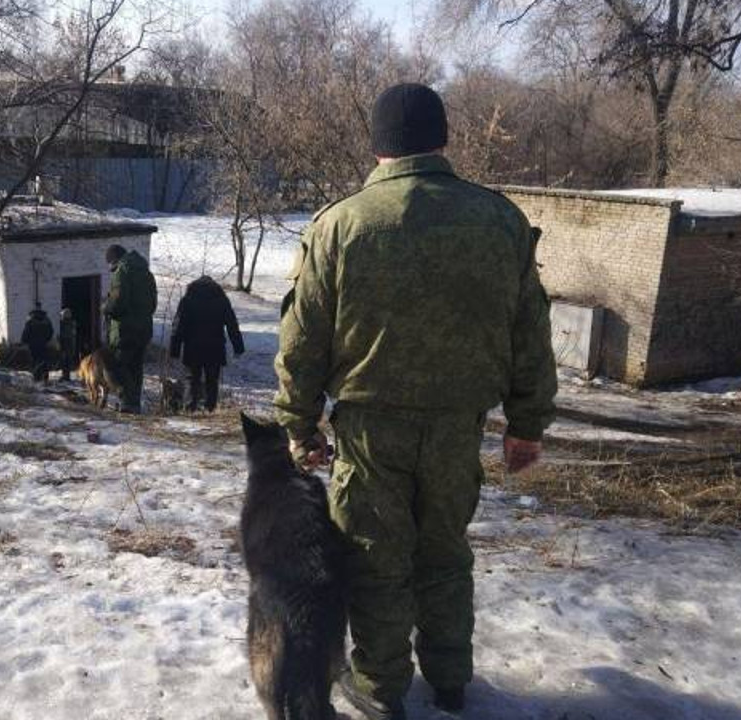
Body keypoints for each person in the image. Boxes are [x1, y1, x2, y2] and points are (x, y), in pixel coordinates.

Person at [273, 83, 557, 720]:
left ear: (378, 146)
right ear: (443, 140)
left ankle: (378, 689)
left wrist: (298, 424)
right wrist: (528, 424)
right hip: (460, 425)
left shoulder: (340, 224)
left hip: (371, 431)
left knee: (376, 560)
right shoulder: (500, 220)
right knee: (445, 551)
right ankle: (451, 678)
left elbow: (302, 338)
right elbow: (530, 331)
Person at [169, 276, 245, 412]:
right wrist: (238, 347)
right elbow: (232, 324)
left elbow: (178, 326)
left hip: (192, 347)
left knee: (191, 379)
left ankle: (189, 407)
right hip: (215, 348)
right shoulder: (221, 300)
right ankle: (210, 408)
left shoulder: (188, 300)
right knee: (212, 380)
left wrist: (174, 349)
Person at [102, 244, 157, 414]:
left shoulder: (122, 272)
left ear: (114, 260)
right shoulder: (146, 273)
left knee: (113, 365)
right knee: (135, 367)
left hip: (124, 330)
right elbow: (153, 304)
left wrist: (105, 307)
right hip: (143, 330)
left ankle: (126, 403)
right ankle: (134, 405)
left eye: (111, 266)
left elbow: (117, 303)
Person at [20, 303, 54, 382]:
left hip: (33, 345)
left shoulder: (30, 320)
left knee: (35, 361)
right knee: (44, 361)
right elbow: (51, 331)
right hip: (44, 344)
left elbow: (26, 332)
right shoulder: (46, 320)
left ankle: (37, 378)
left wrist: (24, 341)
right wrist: (47, 340)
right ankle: (45, 378)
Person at [58, 308, 77, 381]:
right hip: (70, 344)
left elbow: (63, 335)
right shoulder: (72, 324)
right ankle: (67, 376)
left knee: (64, 361)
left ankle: (65, 375)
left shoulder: (63, 324)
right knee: (67, 361)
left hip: (65, 343)